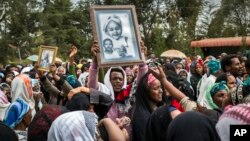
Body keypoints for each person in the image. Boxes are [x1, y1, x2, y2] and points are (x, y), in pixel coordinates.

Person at [132, 72, 177, 141]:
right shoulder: (141, 116)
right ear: (146, 92)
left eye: (161, 87)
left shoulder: (160, 105)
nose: (161, 91)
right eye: (156, 88)